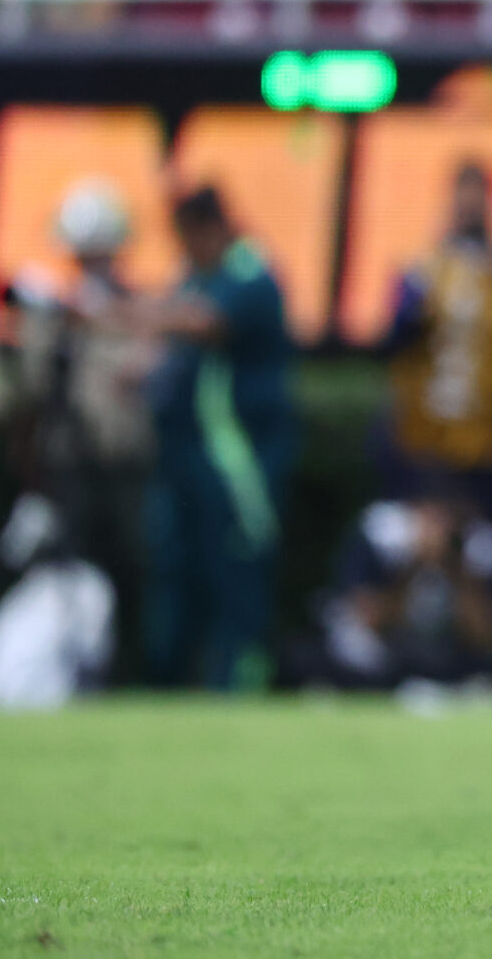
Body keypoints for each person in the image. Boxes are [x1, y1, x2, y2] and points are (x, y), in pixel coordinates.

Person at [140, 187, 296, 690]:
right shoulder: (198, 275)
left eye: (187, 239)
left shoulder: (251, 272)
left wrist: (112, 311)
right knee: (180, 573)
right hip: (192, 455)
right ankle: (173, 684)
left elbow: (202, 322)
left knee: (237, 574)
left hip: (241, 461)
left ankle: (239, 683)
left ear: (209, 229)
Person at [12, 181, 158, 682]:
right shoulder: (55, 312)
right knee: (67, 571)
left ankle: (127, 675)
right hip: (71, 461)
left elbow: (146, 378)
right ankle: (65, 674)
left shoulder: (139, 308)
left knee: (127, 567)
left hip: (123, 462)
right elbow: (35, 390)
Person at [381, 162, 492, 534]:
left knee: (489, 553)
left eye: (480, 196)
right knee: (421, 549)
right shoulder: (421, 271)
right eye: (464, 196)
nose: (471, 206)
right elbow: (390, 342)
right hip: (426, 441)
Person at [309, 491, 492, 689]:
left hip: (447, 656)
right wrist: (413, 566)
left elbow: (486, 636)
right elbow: (366, 618)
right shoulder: (383, 541)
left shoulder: (476, 552)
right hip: (392, 657)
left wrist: (455, 569)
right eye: (431, 521)